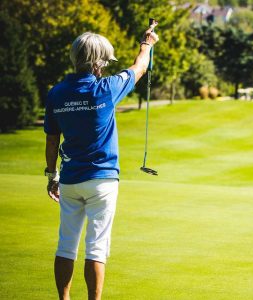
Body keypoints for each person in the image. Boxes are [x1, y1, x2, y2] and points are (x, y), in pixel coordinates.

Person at [44, 22, 159, 300]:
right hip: (102, 181)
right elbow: (139, 68)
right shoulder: (106, 88)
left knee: (66, 245)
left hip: (70, 180)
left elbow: (51, 139)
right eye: (105, 63)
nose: (106, 68)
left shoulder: (56, 93)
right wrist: (148, 43)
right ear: (98, 63)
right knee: (96, 247)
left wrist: (52, 175)